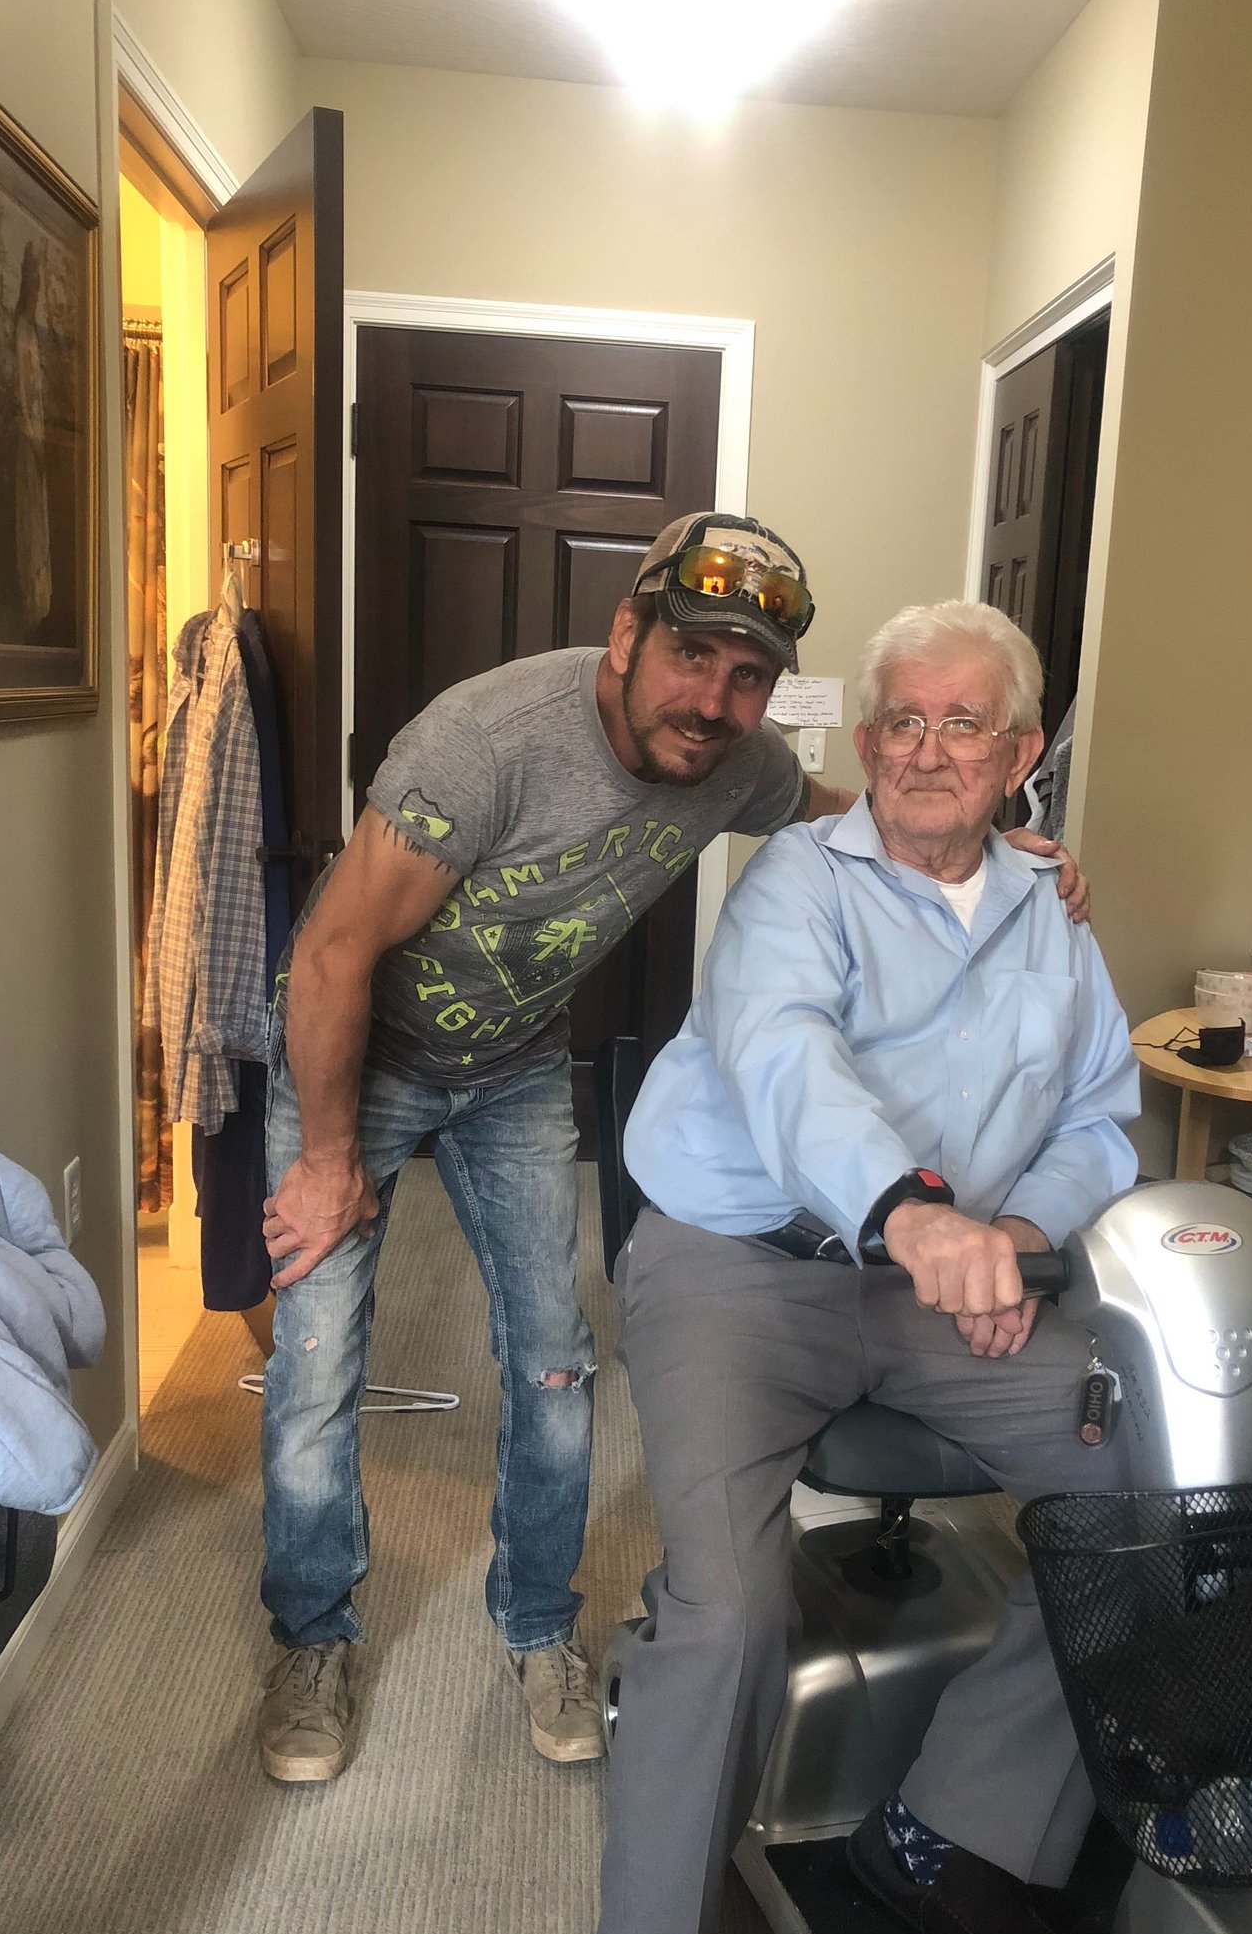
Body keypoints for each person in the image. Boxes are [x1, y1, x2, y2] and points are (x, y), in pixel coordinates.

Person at [251, 513, 1089, 1786]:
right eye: (692, 655)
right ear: (627, 634)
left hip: (511, 1069)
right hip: (353, 1060)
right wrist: (326, 1163)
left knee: (553, 1361)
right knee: (317, 1367)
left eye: (747, 676)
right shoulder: (484, 746)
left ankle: (538, 1625)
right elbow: (330, 955)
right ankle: (313, 1638)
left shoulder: (737, 763)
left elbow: (855, 817)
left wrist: (987, 844)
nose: (712, 700)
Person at [521, 599, 1139, 1934]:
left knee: (1145, 1493)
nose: (925, 750)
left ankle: (949, 1831)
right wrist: (920, 1218)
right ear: (864, 744)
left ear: (1020, 755)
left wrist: (1015, 1241)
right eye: (900, 722)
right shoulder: (794, 883)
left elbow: (1100, 1117)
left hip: (952, 1283)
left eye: (962, 723)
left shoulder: (1054, 914)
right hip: (740, 1266)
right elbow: (788, 1058)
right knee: (726, 1608)